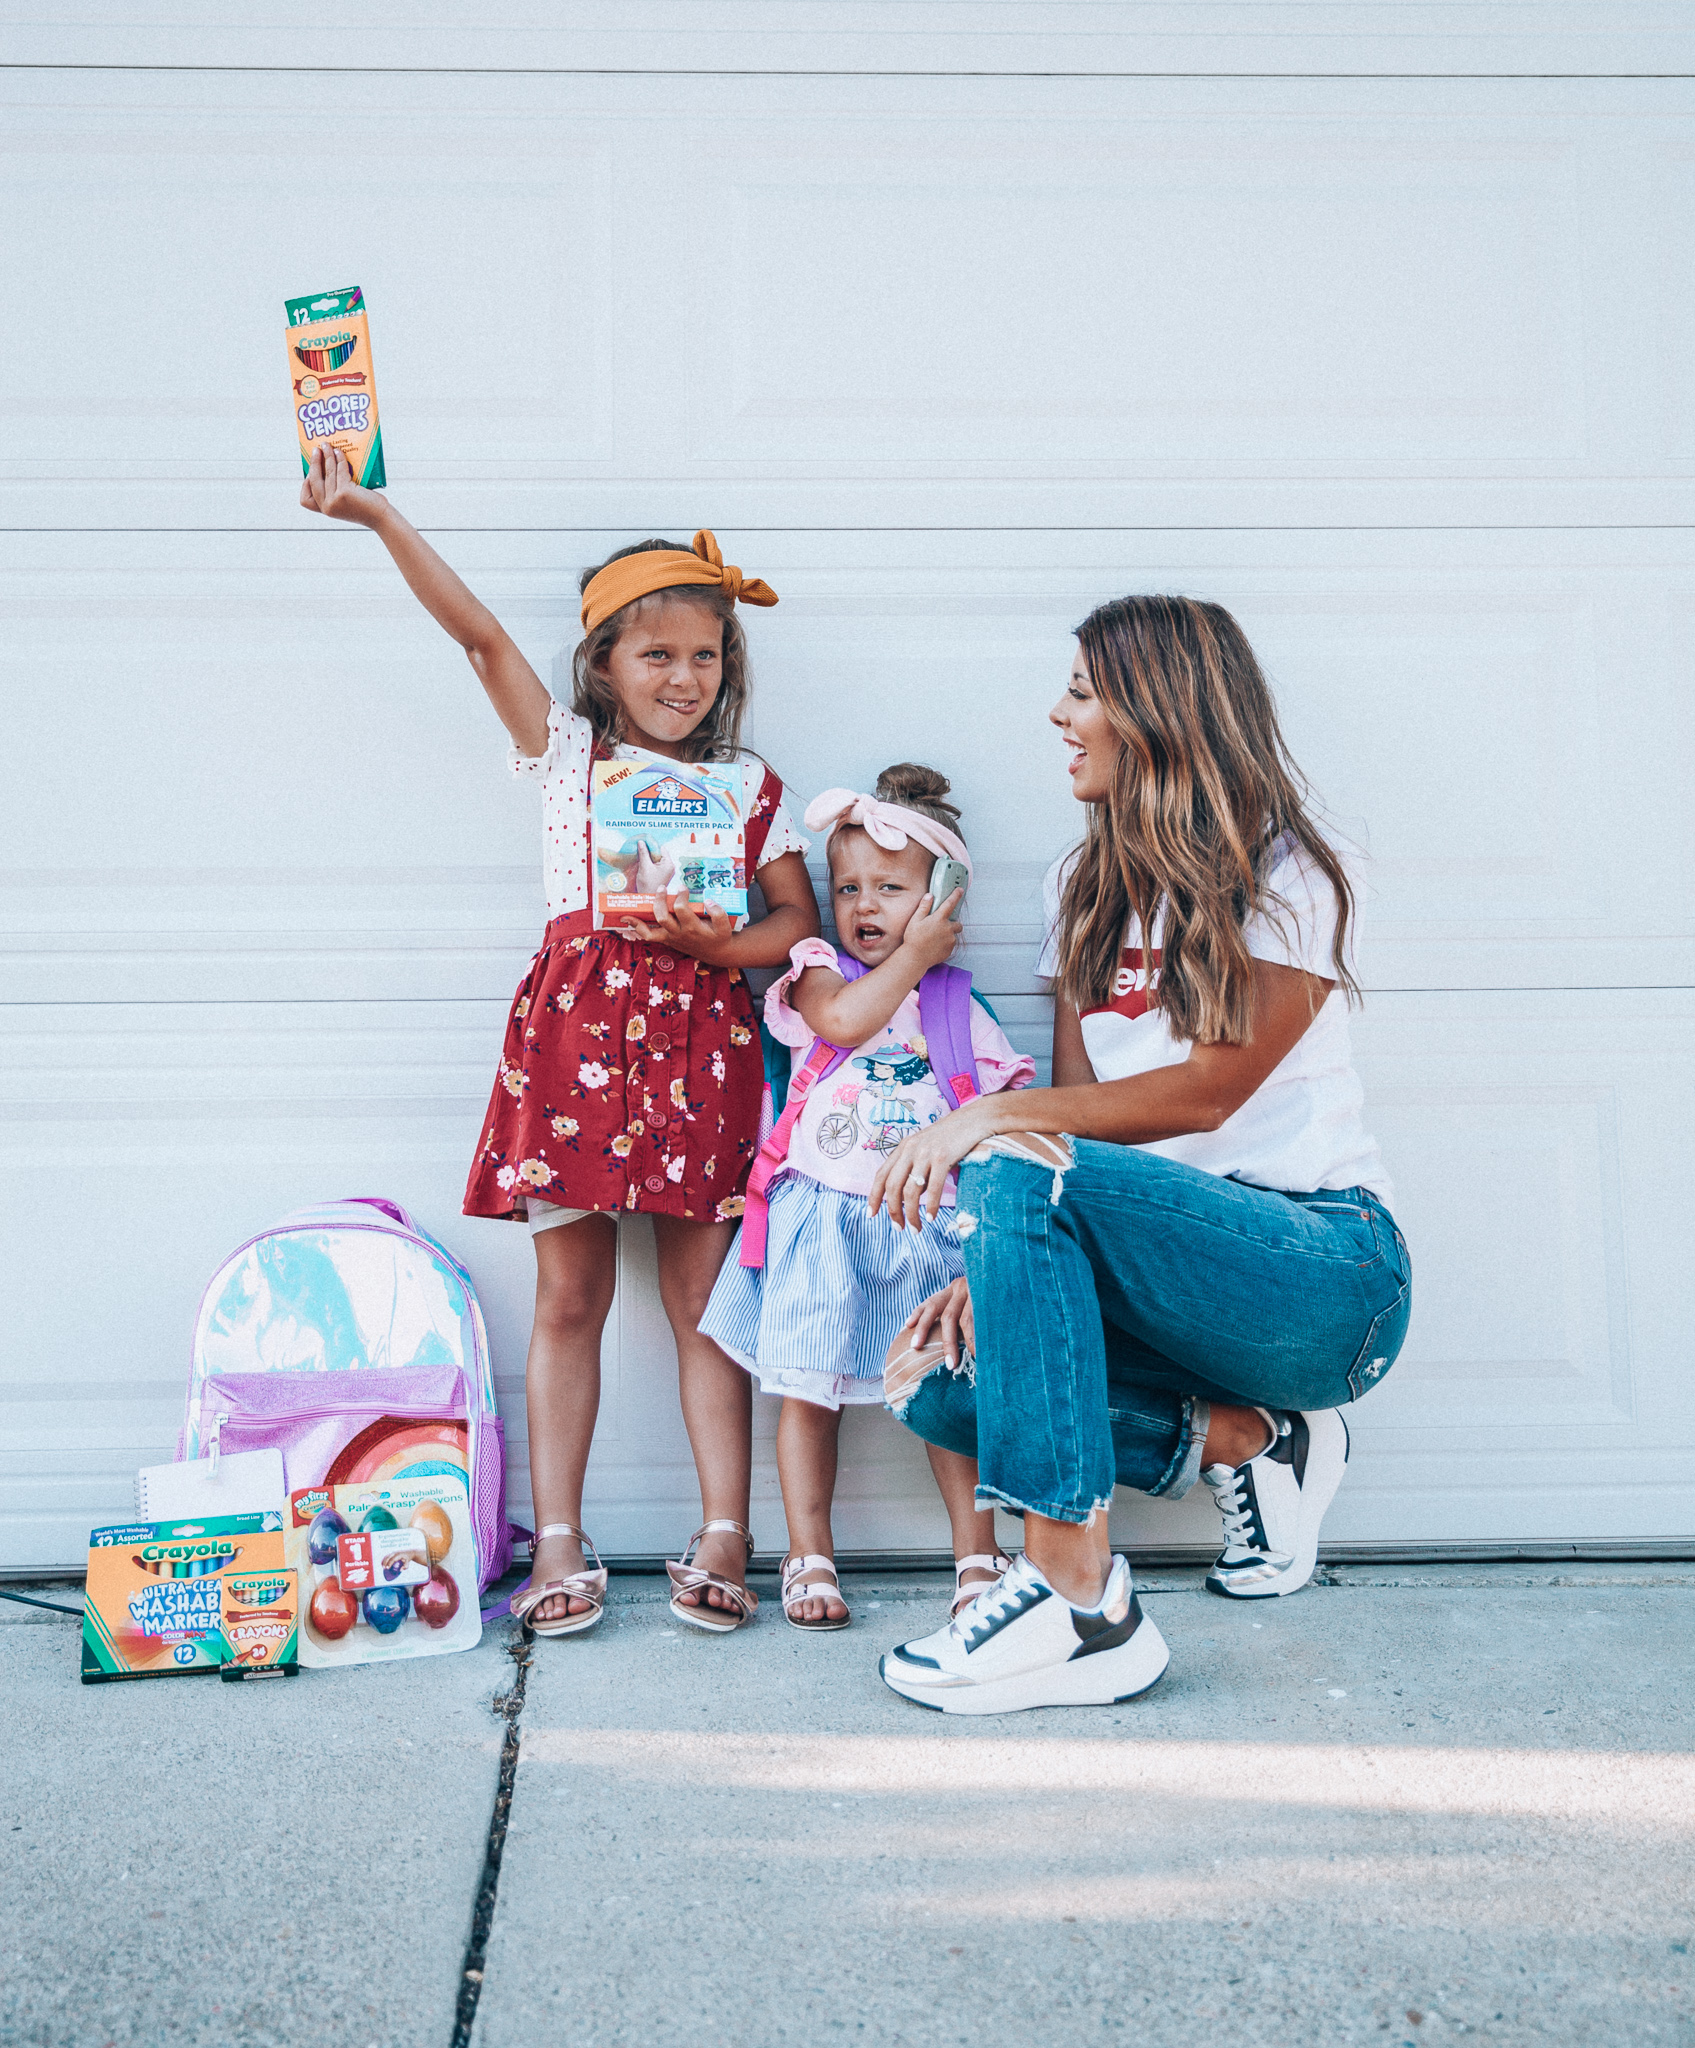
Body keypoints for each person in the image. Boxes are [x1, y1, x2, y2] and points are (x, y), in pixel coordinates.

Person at [298, 447, 819, 1639]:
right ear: (603, 664)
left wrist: (716, 946)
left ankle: (726, 1530)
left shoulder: (750, 784)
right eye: (657, 654)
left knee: (704, 1305)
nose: (684, 677)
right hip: (577, 1038)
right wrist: (378, 512)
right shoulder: (568, 755)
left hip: (701, 1041)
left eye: (705, 655)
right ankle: (566, 1534)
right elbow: (479, 637)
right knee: (570, 1296)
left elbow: (792, 920)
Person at [868, 594, 1412, 1715]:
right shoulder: (1085, 888)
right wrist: (997, 1274)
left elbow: (1213, 1086)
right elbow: (1081, 1116)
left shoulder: (1294, 866)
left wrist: (982, 1127)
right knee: (935, 1385)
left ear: (1156, 704)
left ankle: (1078, 1601)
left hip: (1323, 1271)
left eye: (1081, 689)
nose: (1058, 716)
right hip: (1162, 1277)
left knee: (1014, 1155)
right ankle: (1251, 1441)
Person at [699, 766, 1035, 1629]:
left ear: (942, 899)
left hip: (928, 1230)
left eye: (891, 887)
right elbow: (844, 1022)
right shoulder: (812, 969)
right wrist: (912, 956)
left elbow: (1008, 1110)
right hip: (824, 1222)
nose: (863, 905)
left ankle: (975, 1555)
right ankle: (809, 1554)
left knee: (947, 1391)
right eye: (847, 887)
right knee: (807, 1395)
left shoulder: (960, 1005)